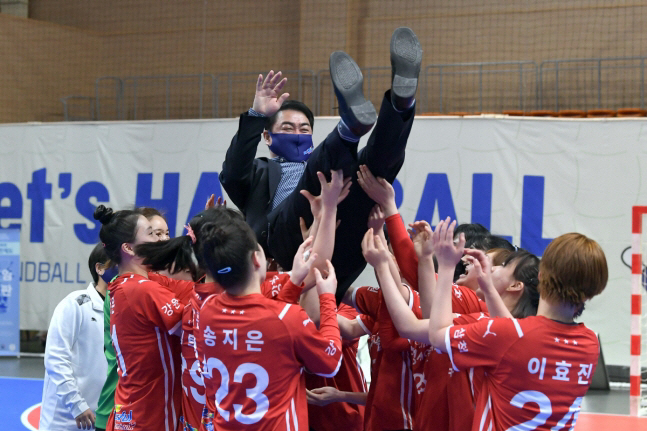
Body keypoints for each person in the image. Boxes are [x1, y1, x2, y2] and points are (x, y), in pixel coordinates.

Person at [220, 27, 422, 298]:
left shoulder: (329, 161)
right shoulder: (258, 172)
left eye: (304, 130)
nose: (297, 134)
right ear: (267, 137)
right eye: (288, 128)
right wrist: (257, 114)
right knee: (318, 177)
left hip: (344, 240)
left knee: (374, 169)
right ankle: (349, 129)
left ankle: (400, 105)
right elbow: (232, 174)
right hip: (289, 243)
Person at [427, 221, 608, 431]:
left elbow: (437, 335)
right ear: (595, 290)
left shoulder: (508, 335)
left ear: (542, 275)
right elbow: (515, 336)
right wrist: (488, 287)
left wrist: (447, 267)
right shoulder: (589, 343)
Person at [194, 210, 343, 431]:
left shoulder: (206, 310)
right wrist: (327, 298)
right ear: (256, 258)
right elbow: (330, 363)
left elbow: (264, 322)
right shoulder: (286, 317)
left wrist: (293, 282)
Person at [93, 205, 195, 431]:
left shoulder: (124, 285)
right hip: (150, 416)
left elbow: (187, 288)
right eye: (151, 234)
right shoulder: (142, 289)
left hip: (133, 410)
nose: (160, 241)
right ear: (128, 248)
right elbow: (193, 322)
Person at [39, 243, 110, 431]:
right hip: (66, 419)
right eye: (118, 264)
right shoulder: (75, 304)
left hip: (104, 417)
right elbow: (55, 359)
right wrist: (76, 404)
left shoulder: (123, 309)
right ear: (100, 268)